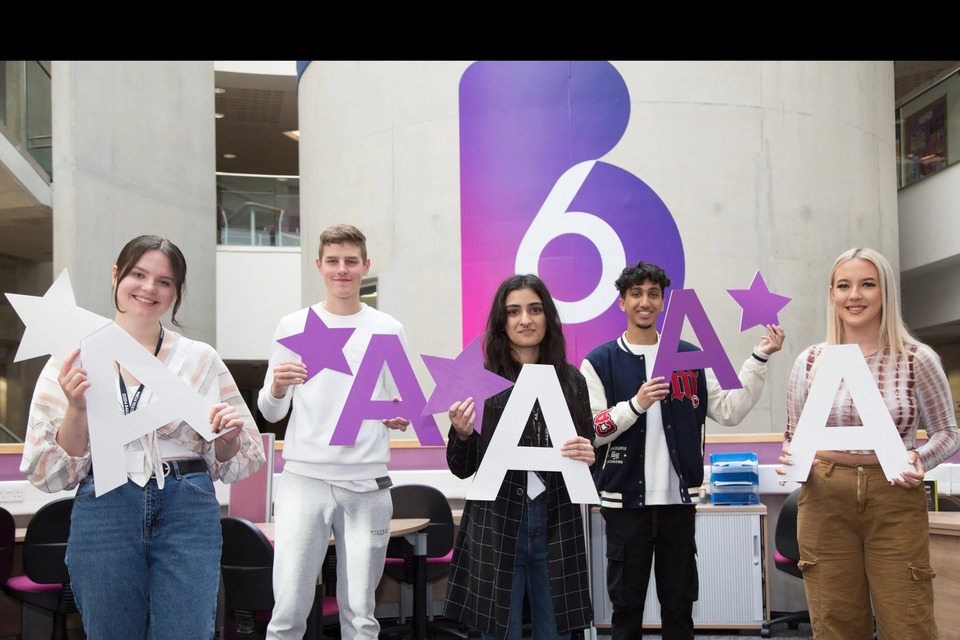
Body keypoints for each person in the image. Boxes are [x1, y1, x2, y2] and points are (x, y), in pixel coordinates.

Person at [20, 234, 266, 640]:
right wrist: (77, 409)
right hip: (106, 503)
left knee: (186, 632)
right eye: (138, 274)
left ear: (177, 292)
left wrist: (227, 437)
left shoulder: (200, 359)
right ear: (117, 275)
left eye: (164, 281)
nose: (149, 288)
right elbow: (50, 472)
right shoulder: (72, 357)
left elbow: (242, 456)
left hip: (187, 503)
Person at [579, 260, 785, 640]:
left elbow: (729, 409)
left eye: (653, 294)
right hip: (624, 505)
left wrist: (758, 358)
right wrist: (636, 404)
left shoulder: (690, 355)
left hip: (679, 504)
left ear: (663, 302)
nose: (645, 302)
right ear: (621, 302)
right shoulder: (598, 361)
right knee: (625, 610)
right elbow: (591, 431)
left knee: (679, 607)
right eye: (636, 294)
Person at [777, 247, 959, 640]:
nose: (854, 295)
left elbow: (948, 433)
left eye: (867, 284)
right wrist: (794, 461)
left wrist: (918, 458)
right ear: (832, 294)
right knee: (835, 623)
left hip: (894, 494)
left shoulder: (916, 359)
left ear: (885, 292)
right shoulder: (811, 361)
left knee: (908, 621)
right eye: (844, 285)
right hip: (823, 495)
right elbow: (793, 436)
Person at [258, 223, 411, 640]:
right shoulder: (293, 326)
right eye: (333, 261)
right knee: (288, 608)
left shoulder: (388, 329)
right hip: (303, 481)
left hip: (367, 484)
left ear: (365, 266)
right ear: (319, 265)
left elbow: (402, 406)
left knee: (361, 614)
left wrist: (399, 417)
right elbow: (270, 411)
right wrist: (276, 386)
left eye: (350, 262)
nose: (341, 270)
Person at [444, 273, 596, 640]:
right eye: (514, 312)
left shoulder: (572, 381)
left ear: (548, 318)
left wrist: (588, 453)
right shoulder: (480, 380)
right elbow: (461, 468)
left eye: (534, 309)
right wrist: (463, 434)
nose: (525, 319)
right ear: (502, 321)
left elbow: (587, 449)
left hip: (555, 517)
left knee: (557, 629)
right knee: (500, 631)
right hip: (496, 521)